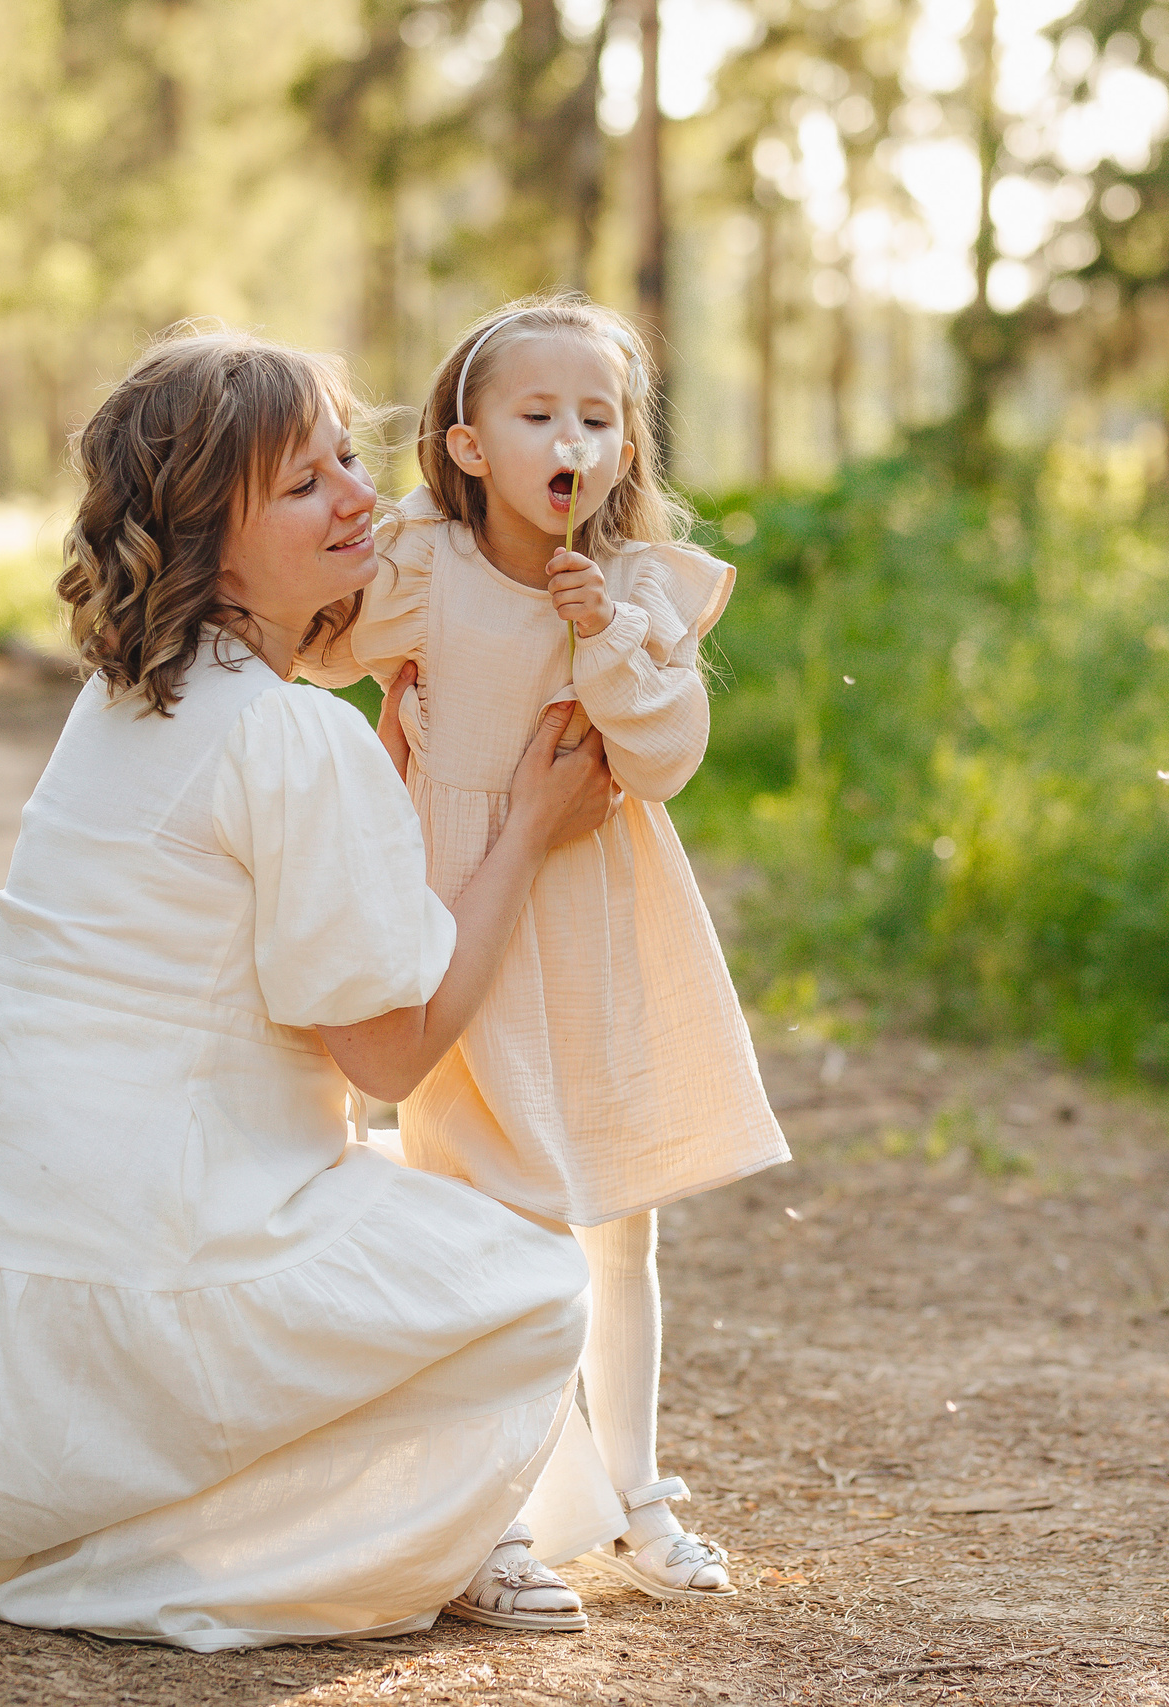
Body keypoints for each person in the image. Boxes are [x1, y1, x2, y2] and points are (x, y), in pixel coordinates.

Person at [0, 328, 622, 1647]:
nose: (360, 496)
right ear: (207, 540)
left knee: (396, 1214)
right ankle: (383, 1540)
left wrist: (388, 779)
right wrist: (530, 826)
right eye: (304, 484)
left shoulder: (125, 701)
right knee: (533, 1276)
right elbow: (389, 1057)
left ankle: (198, 1507)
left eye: (347, 459)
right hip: (130, 1321)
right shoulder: (287, 732)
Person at [301, 295, 788, 1601]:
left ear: (625, 446)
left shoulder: (638, 588)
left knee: (619, 1224)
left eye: (598, 416)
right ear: (468, 447)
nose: (573, 437)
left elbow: (662, 757)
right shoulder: (431, 568)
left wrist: (601, 633)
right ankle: (493, 1509)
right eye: (537, 413)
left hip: (606, 923)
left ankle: (638, 1490)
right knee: (492, 1221)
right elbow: (321, 653)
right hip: (468, 914)